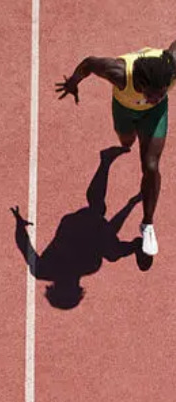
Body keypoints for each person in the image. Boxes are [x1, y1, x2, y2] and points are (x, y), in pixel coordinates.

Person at [56, 41, 176, 256]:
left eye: (162, 93)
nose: (157, 98)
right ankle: (106, 160)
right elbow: (89, 63)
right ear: (141, 83)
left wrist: (157, 101)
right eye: (152, 95)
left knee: (150, 166)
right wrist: (73, 82)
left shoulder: (171, 68)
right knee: (126, 142)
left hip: (155, 115)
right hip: (124, 110)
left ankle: (147, 224)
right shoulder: (119, 73)